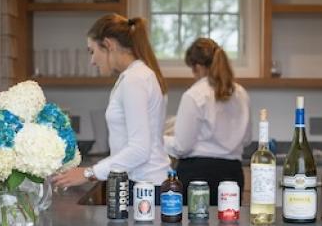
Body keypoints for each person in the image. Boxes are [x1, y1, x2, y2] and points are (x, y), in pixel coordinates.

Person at [52, 13, 171, 205]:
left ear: (108, 44)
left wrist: (88, 173)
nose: (92, 61)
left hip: (144, 187)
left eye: (92, 51)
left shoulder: (135, 79)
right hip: (144, 183)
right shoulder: (136, 76)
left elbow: (140, 149)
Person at [164, 37, 251, 206]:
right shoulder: (241, 94)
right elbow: (247, 139)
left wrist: (158, 140)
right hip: (232, 174)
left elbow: (182, 147)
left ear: (197, 66)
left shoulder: (195, 94)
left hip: (197, 175)